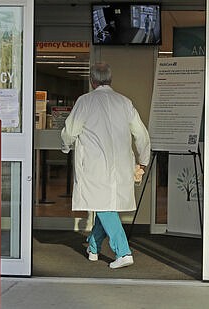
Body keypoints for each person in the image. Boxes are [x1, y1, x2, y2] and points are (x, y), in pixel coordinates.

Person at [61, 62, 151, 269]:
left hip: (95, 165)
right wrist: (143, 162)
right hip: (121, 165)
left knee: (102, 205)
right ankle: (93, 247)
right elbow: (141, 135)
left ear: (92, 81)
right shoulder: (124, 102)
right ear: (110, 80)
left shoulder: (85, 102)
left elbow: (70, 131)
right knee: (106, 205)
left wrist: (66, 146)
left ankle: (123, 252)